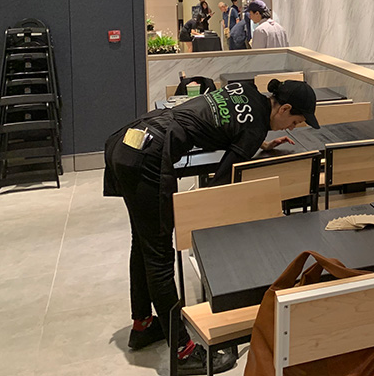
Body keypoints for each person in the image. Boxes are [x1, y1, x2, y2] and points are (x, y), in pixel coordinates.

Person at [103, 79, 321, 374]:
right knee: (159, 256)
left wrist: (260, 144)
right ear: (284, 109)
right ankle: (183, 353)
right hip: (149, 155)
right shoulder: (255, 129)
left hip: (130, 139)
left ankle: (143, 325)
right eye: (295, 121)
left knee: (143, 243)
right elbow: (221, 181)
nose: (292, 128)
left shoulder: (247, 90)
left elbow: (230, 119)